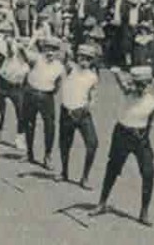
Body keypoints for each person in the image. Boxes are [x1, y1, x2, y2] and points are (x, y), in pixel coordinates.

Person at [92, 65, 154, 226]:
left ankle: (144, 212)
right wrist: (115, 73)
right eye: (138, 84)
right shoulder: (128, 93)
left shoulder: (153, 103)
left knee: (148, 172)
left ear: (149, 84)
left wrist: (144, 138)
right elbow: (122, 83)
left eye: (144, 84)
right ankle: (102, 203)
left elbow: (150, 122)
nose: (140, 88)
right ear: (133, 83)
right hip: (122, 134)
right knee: (113, 168)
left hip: (140, 138)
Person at [57, 42, 102, 187]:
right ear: (78, 57)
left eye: (89, 59)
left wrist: (89, 106)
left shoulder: (93, 76)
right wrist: (65, 44)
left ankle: (85, 177)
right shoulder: (71, 68)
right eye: (82, 57)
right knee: (65, 144)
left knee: (92, 144)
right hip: (67, 111)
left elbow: (93, 95)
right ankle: (64, 172)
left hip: (82, 113)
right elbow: (64, 56)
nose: (85, 61)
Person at [23, 37, 64, 168]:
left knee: (50, 127)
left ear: (57, 52)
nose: (50, 52)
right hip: (31, 93)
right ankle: (29, 153)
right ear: (43, 49)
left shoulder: (59, 66)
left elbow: (58, 84)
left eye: (53, 50)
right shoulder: (37, 58)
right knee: (29, 124)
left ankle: (48, 155)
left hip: (47, 96)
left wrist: (49, 92)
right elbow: (25, 55)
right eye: (48, 49)